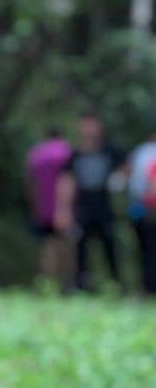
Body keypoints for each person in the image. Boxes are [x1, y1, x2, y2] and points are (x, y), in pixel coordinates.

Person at [58, 113, 124, 291]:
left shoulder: (110, 151)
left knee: (110, 247)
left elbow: (126, 167)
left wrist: (120, 180)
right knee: (81, 250)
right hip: (82, 209)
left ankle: (115, 285)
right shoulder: (75, 154)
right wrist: (63, 210)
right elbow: (67, 181)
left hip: (105, 207)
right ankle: (81, 286)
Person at [25, 127, 73, 289]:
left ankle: (48, 284)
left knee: (48, 246)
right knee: (66, 246)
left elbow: (32, 184)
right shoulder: (67, 152)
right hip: (64, 209)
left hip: (43, 209)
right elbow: (69, 181)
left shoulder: (36, 154)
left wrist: (35, 207)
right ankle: (66, 284)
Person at [126, 128, 156, 295]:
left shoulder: (139, 152)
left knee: (146, 252)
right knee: (149, 252)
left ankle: (148, 288)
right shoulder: (146, 152)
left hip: (141, 208)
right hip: (147, 209)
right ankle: (150, 289)